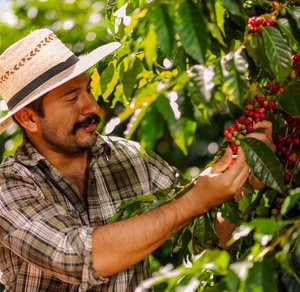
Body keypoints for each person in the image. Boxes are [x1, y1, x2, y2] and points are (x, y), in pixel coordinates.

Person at [0, 29, 274, 291]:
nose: (93, 108)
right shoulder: (9, 186)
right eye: (72, 99)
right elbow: (78, 256)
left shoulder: (130, 157)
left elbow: (203, 238)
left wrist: (247, 186)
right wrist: (197, 200)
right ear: (29, 118)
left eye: (88, 91)